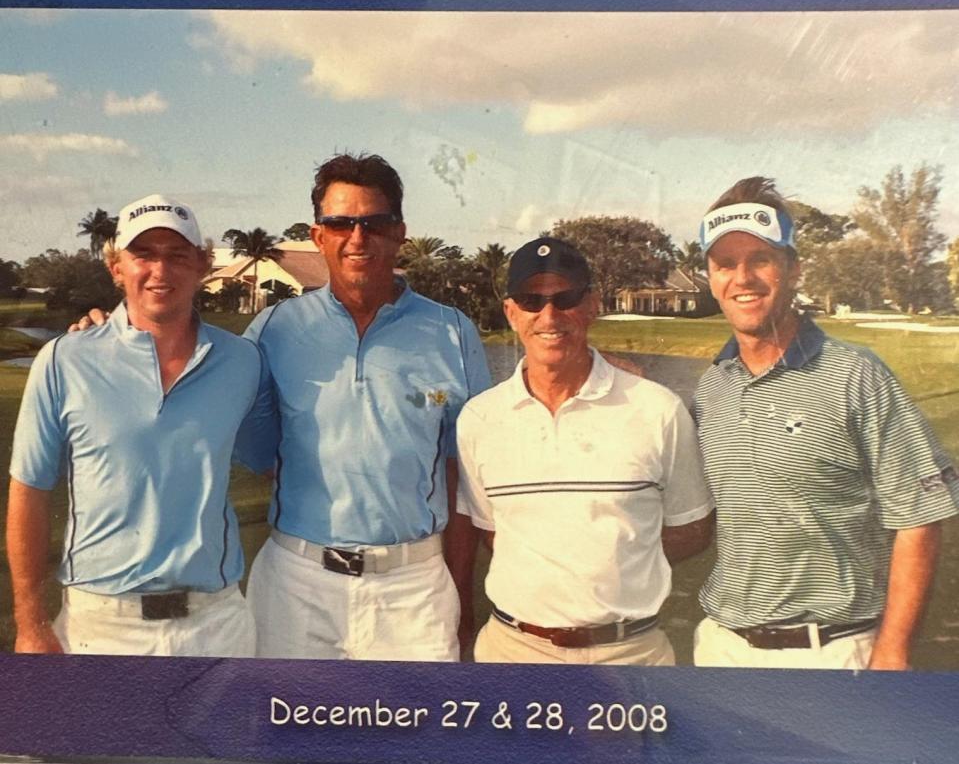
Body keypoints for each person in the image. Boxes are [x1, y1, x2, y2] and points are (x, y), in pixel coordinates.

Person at [692, 177, 959, 670]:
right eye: (725, 263)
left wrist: (893, 651)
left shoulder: (856, 374)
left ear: (793, 269)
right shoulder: (712, 386)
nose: (742, 278)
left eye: (761, 259)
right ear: (710, 276)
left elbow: (920, 516)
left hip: (832, 652)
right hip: (722, 649)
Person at [235, 153, 491, 661]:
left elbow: (465, 475)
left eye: (373, 223)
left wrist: (463, 595)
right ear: (318, 234)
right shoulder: (272, 331)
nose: (358, 238)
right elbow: (254, 450)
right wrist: (113, 336)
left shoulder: (452, 332)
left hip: (413, 589)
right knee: (288, 736)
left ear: (399, 233)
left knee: (413, 739)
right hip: (296, 582)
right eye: (341, 223)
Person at [6, 196, 261, 656]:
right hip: (102, 626)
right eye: (143, 254)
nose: (160, 271)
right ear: (115, 267)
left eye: (177, 255)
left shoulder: (242, 360)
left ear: (202, 265)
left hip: (217, 623)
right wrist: (30, 620)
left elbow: (278, 453)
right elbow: (29, 492)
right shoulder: (65, 360)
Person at [456, 237, 714, 665]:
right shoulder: (479, 419)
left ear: (593, 304)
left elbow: (692, 529)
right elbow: (493, 531)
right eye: (531, 300)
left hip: (632, 655)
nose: (549, 315)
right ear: (511, 312)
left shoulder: (658, 409)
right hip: (513, 653)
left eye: (566, 298)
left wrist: (613, 561)